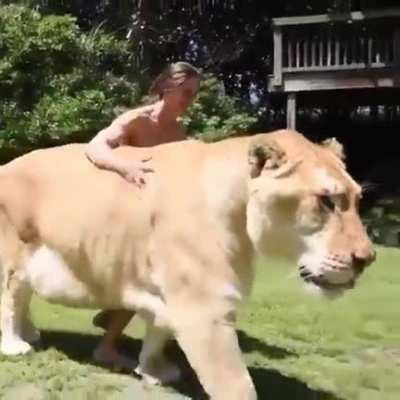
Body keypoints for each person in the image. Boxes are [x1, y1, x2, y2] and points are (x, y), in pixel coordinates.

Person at [85, 61, 201, 368]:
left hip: (155, 216)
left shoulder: (178, 131)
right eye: (185, 92)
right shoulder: (136, 120)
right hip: (118, 211)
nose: (190, 100)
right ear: (167, 88)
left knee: (158, 277)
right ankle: (107, 346)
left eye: (194, 94)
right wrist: (125, 166)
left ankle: (115, 320)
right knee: (145, 279)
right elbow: (95, 147)